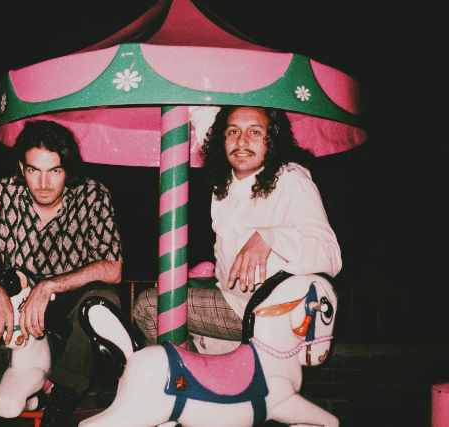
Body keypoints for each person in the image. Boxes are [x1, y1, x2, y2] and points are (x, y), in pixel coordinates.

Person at [0, 120, 123, 427]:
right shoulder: (3, 194)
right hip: (13, 302)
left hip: (65, 304)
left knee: (103, 299)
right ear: (21, 167)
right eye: (33, 170)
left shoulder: (93, 195)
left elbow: (113, 268)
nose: (43, 183)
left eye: (54, 170)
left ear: (68, 170)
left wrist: (49, 286)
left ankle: (60, 404)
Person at [134, 106, 342, 347]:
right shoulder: (227, 174)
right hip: (231, 297)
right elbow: (203, 113)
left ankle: (187, 371)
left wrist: (269, 238)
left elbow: (330, 255)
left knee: (150, 306)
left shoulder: (291, 180)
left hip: (265, 311)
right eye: (233, 132)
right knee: (174, 288)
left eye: (255, 132)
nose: (241, 141)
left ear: (273, 138)